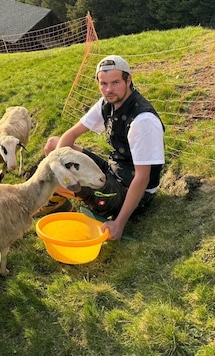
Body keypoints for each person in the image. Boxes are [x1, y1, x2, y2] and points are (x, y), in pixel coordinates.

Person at [41, 55, 165, 240]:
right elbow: (71, 134)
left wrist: (119, 223)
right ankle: (60, 200)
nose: (109, 90)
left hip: (133, 190)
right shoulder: (108, 103)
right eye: (103, 83)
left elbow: (142, 177)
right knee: (53, 146)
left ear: (128, 80)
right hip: (113, 169)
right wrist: (58, 164)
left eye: (115, 82)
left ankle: (69, 195)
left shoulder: (142, 121)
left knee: (51, 179)